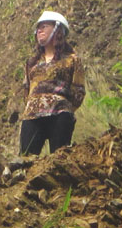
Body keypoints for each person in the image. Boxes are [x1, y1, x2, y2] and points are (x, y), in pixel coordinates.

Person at [20, 11, 85, 155]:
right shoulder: (32, 63)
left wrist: (64, 107)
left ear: (57, 30)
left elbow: (78, 91)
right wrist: (34, 104)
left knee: (59, 157)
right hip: (32, 115)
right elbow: (26, 90)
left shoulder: (72, 60)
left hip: (60, 115)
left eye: (44, 26)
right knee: (25, 159)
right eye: (38, 28)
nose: (40, 30)